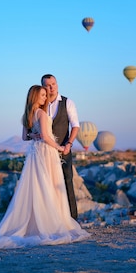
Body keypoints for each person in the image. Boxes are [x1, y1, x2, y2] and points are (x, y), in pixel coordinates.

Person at [0, 85, 90, 251]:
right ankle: (50, 223)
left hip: (35, 153)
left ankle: (37, 221)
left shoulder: (27, 115)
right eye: (42, 95)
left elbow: (24, 136)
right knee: (49, 187)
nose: (45, 97)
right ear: (35, 97)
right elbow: (45, 137)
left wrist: (34, 135)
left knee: (38, 186)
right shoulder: (42, 113)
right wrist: (60, 148)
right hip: (46, 152)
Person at [35, 74, 80, 219]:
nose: (51, 87)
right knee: (47, 186)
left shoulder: (67, 102)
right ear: (43, 87)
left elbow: (75, 126)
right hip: (45, 152)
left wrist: (69, 144)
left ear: (57, 84)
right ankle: (52, 220)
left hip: (64, 150)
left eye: (53, 84)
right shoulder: (40, 104)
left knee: (66, 183)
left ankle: (73, 220)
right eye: (47, 85)